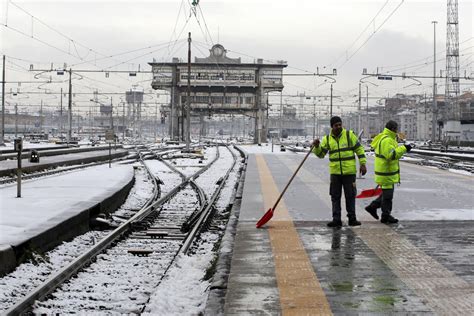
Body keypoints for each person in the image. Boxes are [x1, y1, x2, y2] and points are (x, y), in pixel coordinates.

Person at [312, 116, 367, 227]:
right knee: (335, 196)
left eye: (340, 124)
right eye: (336, 125)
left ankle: (352, 218)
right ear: (331, 126)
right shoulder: (327, 139)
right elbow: (320, 154)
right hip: (335, 173)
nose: (339, 127)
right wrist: (317, 147)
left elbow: (359, 149)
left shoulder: (348, 135)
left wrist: (363, 163)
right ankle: (336, 219)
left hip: (349, 173)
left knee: (350, 196)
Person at [364, 120, 413, 224]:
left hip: (385, 172)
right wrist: (404, 148)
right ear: (393, 129)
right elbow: (391, 155)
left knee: (386, 194)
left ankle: (372, 207)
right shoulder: (387, 140)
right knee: (388, 196)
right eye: (396, 129)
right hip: (386, 172)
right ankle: (385, 216)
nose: (397, 131)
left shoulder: (387, 138)